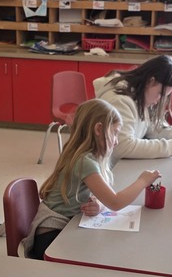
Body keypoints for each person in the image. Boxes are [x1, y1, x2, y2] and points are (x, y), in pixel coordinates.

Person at [25, 99, 160, 260]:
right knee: (104, 253)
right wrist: (143, 180)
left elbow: (100, 198)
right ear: (98, 129)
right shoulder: (84, 161)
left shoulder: (82, 155)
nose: (116, 141)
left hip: (61, 227)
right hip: (49, 238)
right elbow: (115, 202)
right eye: (115, 132)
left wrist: (98, 206)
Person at [94, 55, 172, 161]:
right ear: (150, 81)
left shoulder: (141, 96)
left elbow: (152, 125)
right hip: (109, 169)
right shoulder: (119, 101)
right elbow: (122, 147)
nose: (159, 101)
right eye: (160, 94)